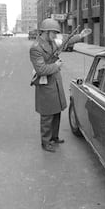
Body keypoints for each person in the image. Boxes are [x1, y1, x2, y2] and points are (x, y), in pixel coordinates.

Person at [29, 18, 90, 152]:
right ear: (46, 32)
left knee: (56, 111)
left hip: (55, 82)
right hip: (45, 85)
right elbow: (41, 70)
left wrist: (81, 35)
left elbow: (66, 40)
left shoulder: (51, 42)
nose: (56, 35)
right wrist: (56, 66)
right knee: (47, 114)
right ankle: (46, 141)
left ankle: (54, 137)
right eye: (54, 32)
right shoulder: (36, 48)